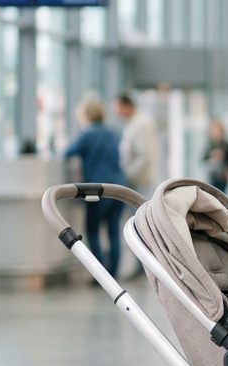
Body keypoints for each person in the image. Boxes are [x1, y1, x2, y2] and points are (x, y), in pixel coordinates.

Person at [64, 98, 127, 280]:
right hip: (118, 187)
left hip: (97, 189)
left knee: (93, 230)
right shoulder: (112, 133)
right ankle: (113, 273)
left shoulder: (87, 134)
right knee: (114, 231)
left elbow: (67, 153)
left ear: (85, 115)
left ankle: (101, 275)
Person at [115, 92, 159, 197]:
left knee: (142, 206)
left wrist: (127, 174)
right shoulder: (131, 123)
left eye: (118, 108)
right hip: (134, 181)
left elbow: (144, 156)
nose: (116, 112)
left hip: (140, 181)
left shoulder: (141, 124)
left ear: (127, 106)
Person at [203, 119, 228, 193]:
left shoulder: (225, 144)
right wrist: (212, 155)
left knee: (222, 195)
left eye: (218, 130)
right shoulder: (210, 144)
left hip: (223, 175)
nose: (216, 132)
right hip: (212, 175)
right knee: (211, 194)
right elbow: (203, 158)